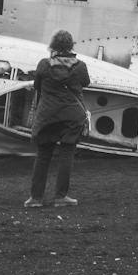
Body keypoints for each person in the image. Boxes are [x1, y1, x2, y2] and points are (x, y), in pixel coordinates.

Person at [25, 30, 90, 207]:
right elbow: (85, 83)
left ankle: (35, 198)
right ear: (71, 46)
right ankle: (61, 197)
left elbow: (37, 86)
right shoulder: (80, 66)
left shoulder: (44, 65)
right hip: (72, 116)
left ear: (53, 45)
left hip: (47, 115)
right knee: (66, 154)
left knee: (44, 155)